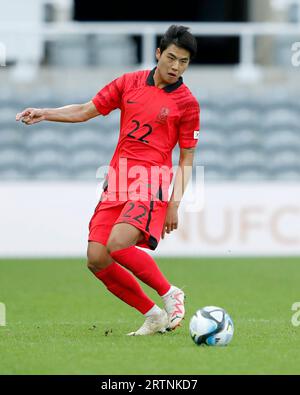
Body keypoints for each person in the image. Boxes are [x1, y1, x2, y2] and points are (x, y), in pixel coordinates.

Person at [16, 25, 200, 336]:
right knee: (97, 257)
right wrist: (45, 113)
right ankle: (152, 314)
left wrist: (174, 204)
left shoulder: (187, 103)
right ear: (158, 54)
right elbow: (86, 110)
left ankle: (171, 294)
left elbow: (186, 158)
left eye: (183, 62)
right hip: (117, 180)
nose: (175, 67)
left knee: (117, 245)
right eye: (171, 58)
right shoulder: (128, 83)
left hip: (150, 181)